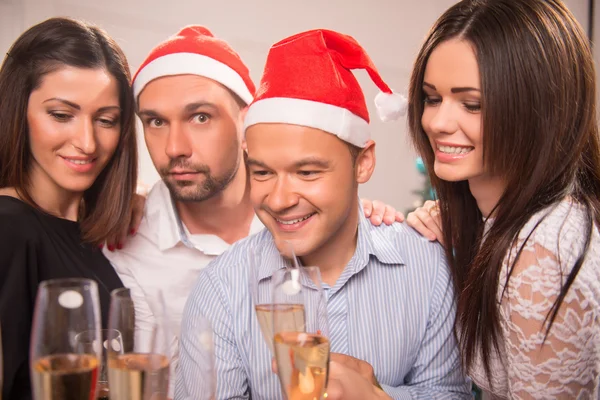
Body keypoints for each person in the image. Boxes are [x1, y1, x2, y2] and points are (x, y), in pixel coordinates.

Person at [103, 25, 404, 391]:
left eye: (200, 117)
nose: (174, 148)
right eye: (155, 121)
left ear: (248, 121)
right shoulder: (125, 246)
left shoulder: (304, 220)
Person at [176, 29, 471, 400]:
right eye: (262, 172)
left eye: (307, 172)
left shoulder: (427, 266)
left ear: (363, 163)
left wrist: (378, 397)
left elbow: (448, 393)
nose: (280, 200)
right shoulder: (222, 288)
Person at [329, 0, 600, 398]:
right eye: (432, 98)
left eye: (471, 104)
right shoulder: (501, 224)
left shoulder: (543, 254)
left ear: (538, 110)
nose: (437, 122)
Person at [0, 17, 138, 400]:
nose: (87, 142)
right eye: (61, 115)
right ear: (17, 111)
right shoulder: (7, 228)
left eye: (106, 120)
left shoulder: (91, 231)